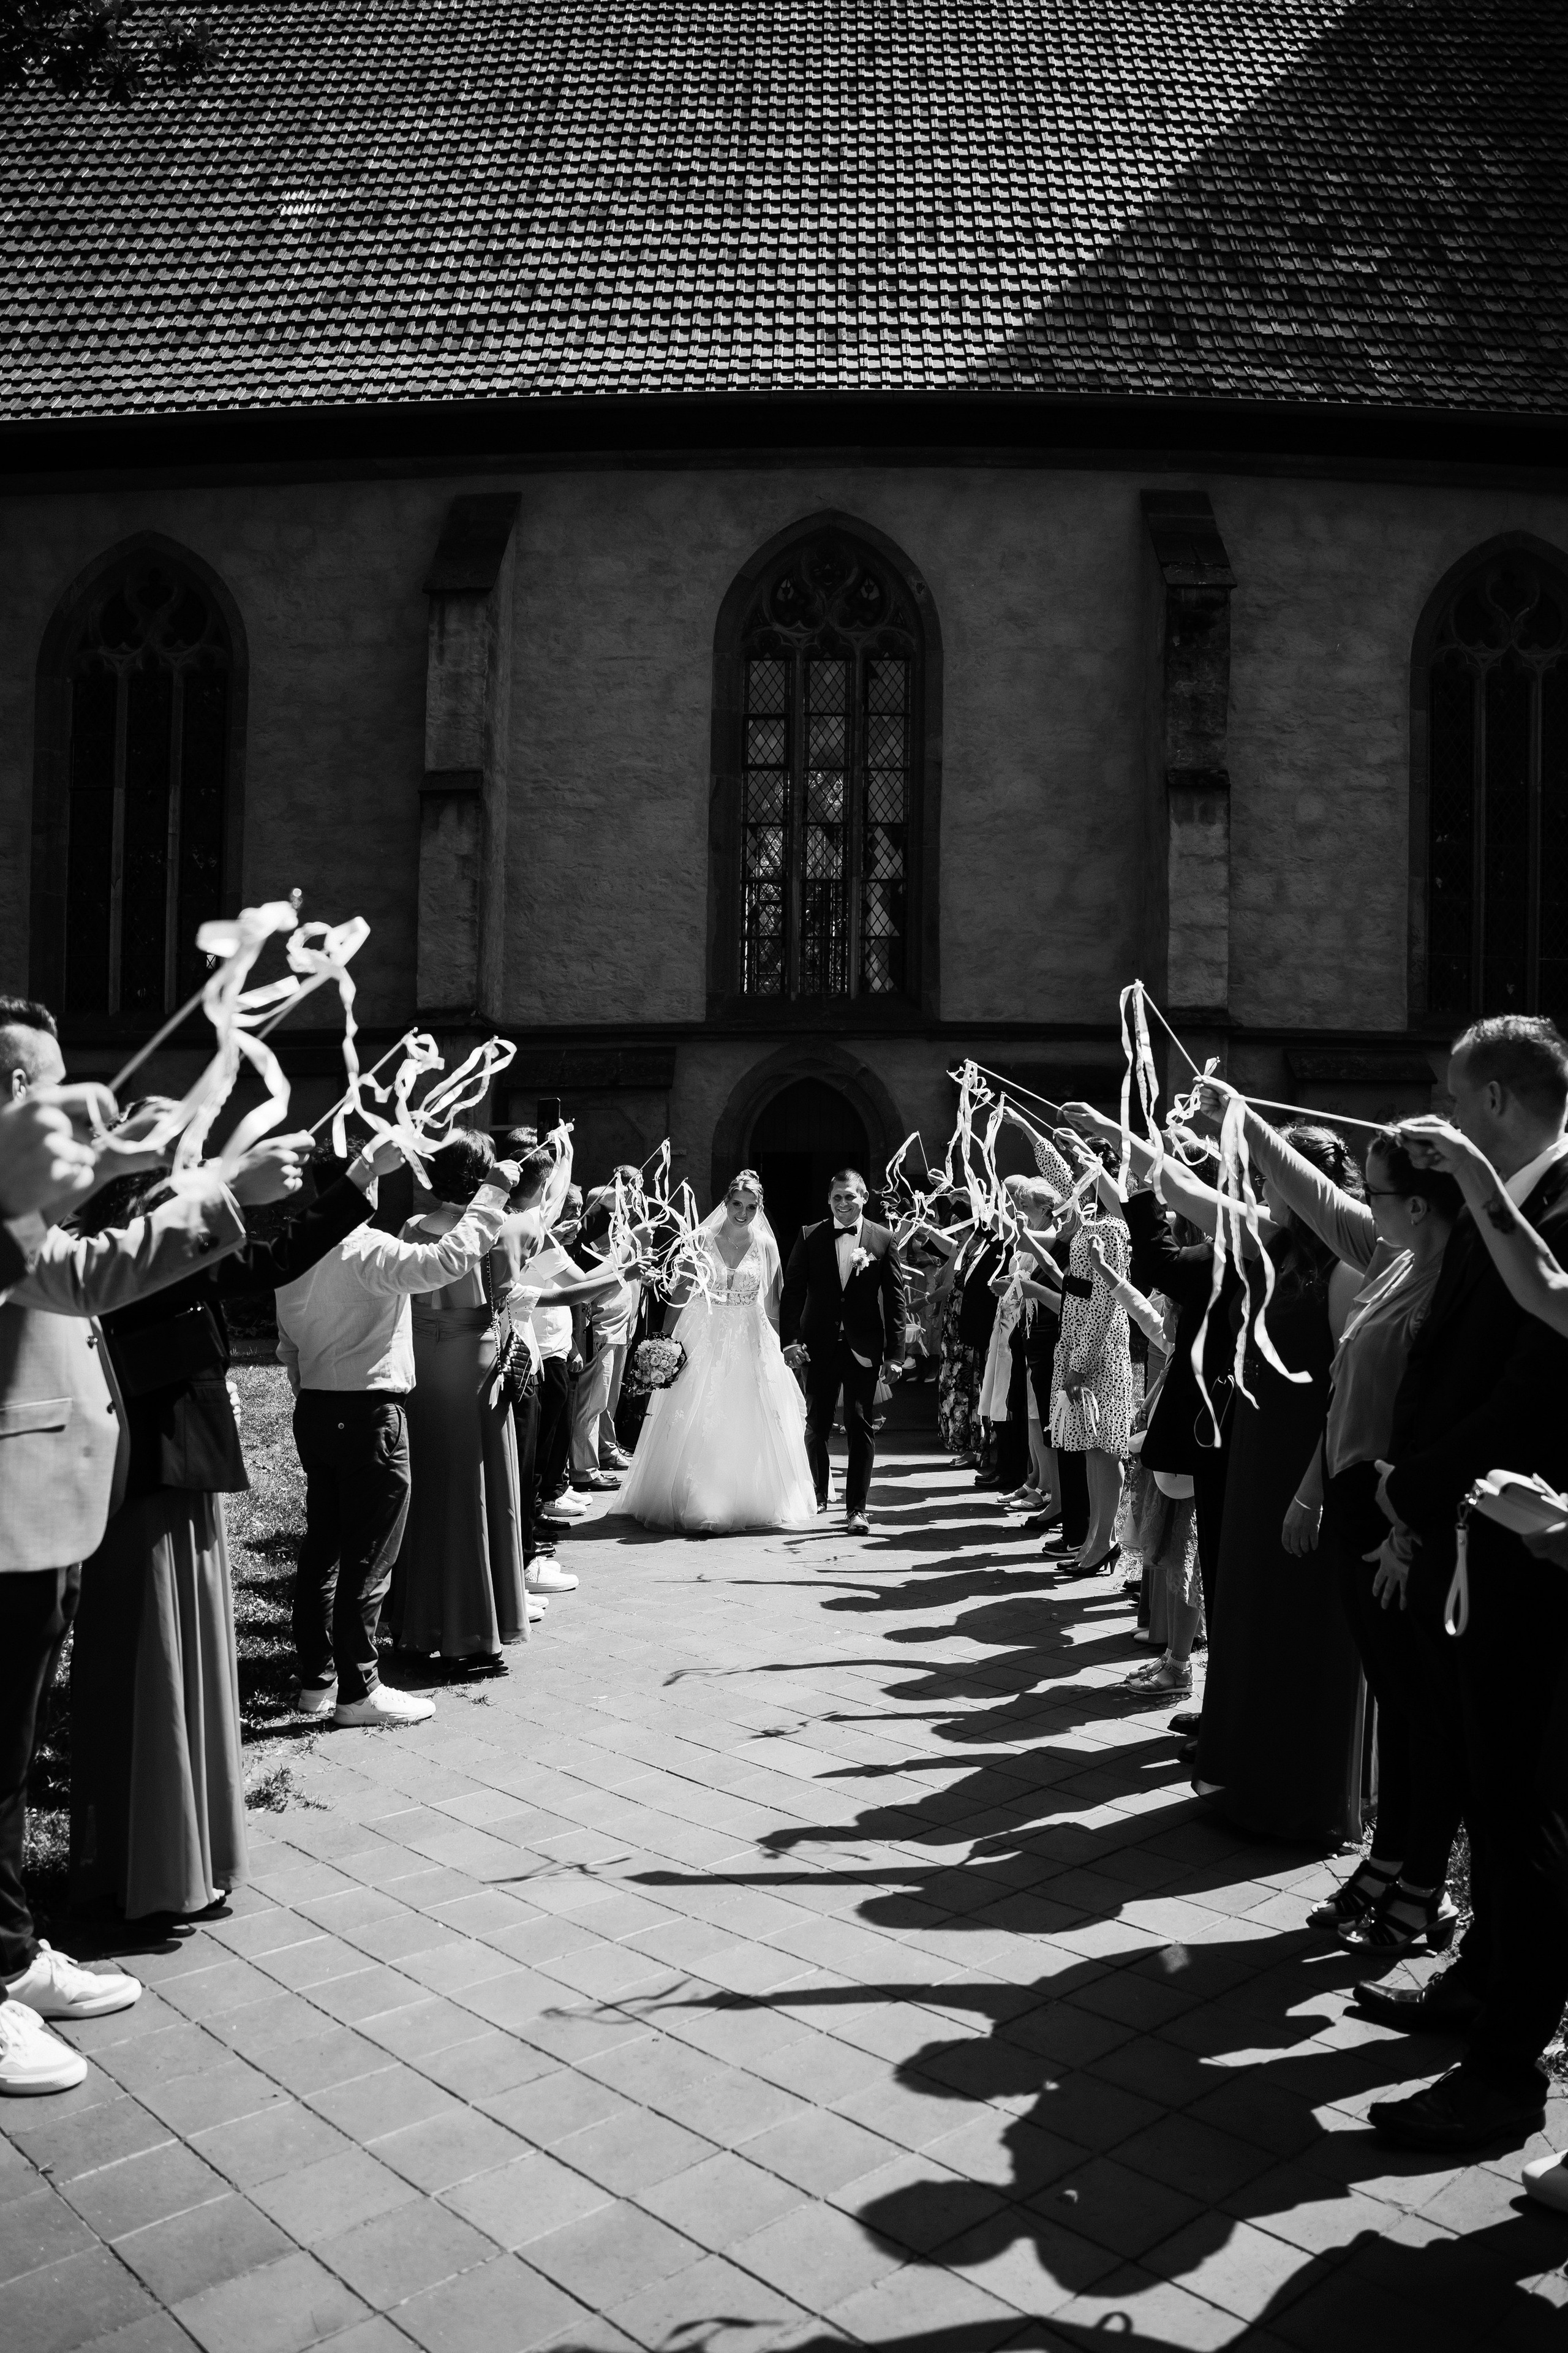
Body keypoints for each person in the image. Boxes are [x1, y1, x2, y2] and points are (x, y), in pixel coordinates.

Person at [0, 997, 258, 2096]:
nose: (51, 1102)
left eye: (58, 1078)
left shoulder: (22, 1202)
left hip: (47, 1505)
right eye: (26, 1083)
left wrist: (212, 1190)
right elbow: (68, 1268)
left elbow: (82, 1272)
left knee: (3, 1761)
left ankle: (7, 1951)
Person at [67, 1127, 380, 1927]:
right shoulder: (136, 1248)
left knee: (173, 1659)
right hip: (155, 1469)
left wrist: (357, 1182)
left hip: (177, 1463)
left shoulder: (154, 1241)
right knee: (156, 1660)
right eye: (197, 1148)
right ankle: (158, 1863)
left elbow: (271, 1257)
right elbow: (262, 1255)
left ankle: (172, 1853)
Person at [1350, 1016, 1568, 2157]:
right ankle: (1484, 1976)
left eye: (1450, 1089)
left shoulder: (1560, 1202)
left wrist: (1414, 1487)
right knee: (1495, 1792)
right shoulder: (1519, 1199)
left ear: (1490, 1102)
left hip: (1530, 1555)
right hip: (1482, 1532)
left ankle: (1503, 2073)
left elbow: (1529, 1383)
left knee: (1523, 1806)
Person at [1200, 1085, 1465, 1951]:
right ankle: (1391, 1866)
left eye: (1378, 1192)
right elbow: (1313, 1194)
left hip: (1401, 1525)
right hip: (1357, 1510)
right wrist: (1241, 1115)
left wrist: (1404, 1532)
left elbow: (1435, 1425)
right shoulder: (1391, 1254)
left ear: (1416, 1206)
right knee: (1400, 1700)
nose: (1363, 1204)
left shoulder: (1446, 1283)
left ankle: (1423, 1887)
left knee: (1421, 1717)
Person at [274, 1141, 521, 1728]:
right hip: (370, 1412)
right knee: (369, 1554)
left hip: (315, 1406)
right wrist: (493, 1191)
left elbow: (287, 1347)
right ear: (365, 1187)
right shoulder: (370, 1249)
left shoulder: (292, 1253)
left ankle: (317, 1681)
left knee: (324, 1548)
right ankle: (359, 1690)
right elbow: (448, 1259)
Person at [390, 1130, 529, 1680]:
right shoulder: (493, 1230)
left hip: (424, 1362)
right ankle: (477, 1631)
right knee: (480, 1492)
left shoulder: (410, 1230)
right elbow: (508, 1295)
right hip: (474, 1361)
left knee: (428, 1491)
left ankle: (419, 1627)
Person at [622, 1169, 818, 1532]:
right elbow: (681, 1294)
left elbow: (774, 1305)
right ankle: (698, 1500)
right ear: (725, 1203)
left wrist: (785, 1346)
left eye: (751, 1206)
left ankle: (738, 1498)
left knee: (743, 1415)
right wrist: (663, 1341)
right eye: (737, 1204)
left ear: (760, 1208)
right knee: (697, 1415)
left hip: (749, 1336)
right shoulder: (700, 1239)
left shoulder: (766, 1245)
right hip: (703, 1334)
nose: (742, 1213)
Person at [780, 1168, 908, 1535]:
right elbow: (793, 1292)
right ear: (829, 1201)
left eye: (850, 1196)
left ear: (864, 1197)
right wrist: (790, 1341)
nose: (843, 1204)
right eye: (836, 1198)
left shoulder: (883, 1239)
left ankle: (857, 1510)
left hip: (863, 1347)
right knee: (817, 1425)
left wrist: (896, 1355)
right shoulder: (810, 1236)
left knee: (859, 1424)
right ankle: (819, 1494)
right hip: (816, 1346)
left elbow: (896, 1302)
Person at [569, 1188, 643, 1491]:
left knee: (604, 1401)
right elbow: (591, 1283)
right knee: (590, 1403)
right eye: (616, 1210)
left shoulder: (618, 1239)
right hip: (599, 1327)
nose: (623, 1215)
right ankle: (583, 1471)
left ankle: (602, 1453)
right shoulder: (592, 1243)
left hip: (619, 1327)